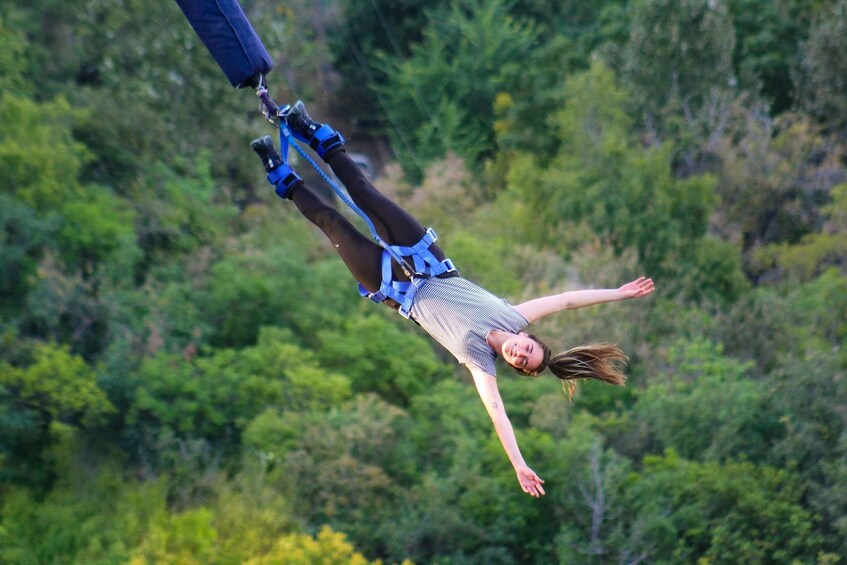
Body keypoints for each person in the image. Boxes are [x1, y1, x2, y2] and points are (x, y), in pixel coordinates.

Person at [251, 102, 655, 497]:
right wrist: (617, 294)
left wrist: (518, 463)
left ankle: (279, 173)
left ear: (517, 368)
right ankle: (308, 128)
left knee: (332, 222)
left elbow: (498, 415)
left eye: (521, 362)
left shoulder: (480, 362)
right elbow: (566, 300)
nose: (518, 352)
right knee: (364, 194)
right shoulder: (514, 317)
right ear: (531, 339)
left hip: (396, 288)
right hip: (425, 259)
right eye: (528, 349)